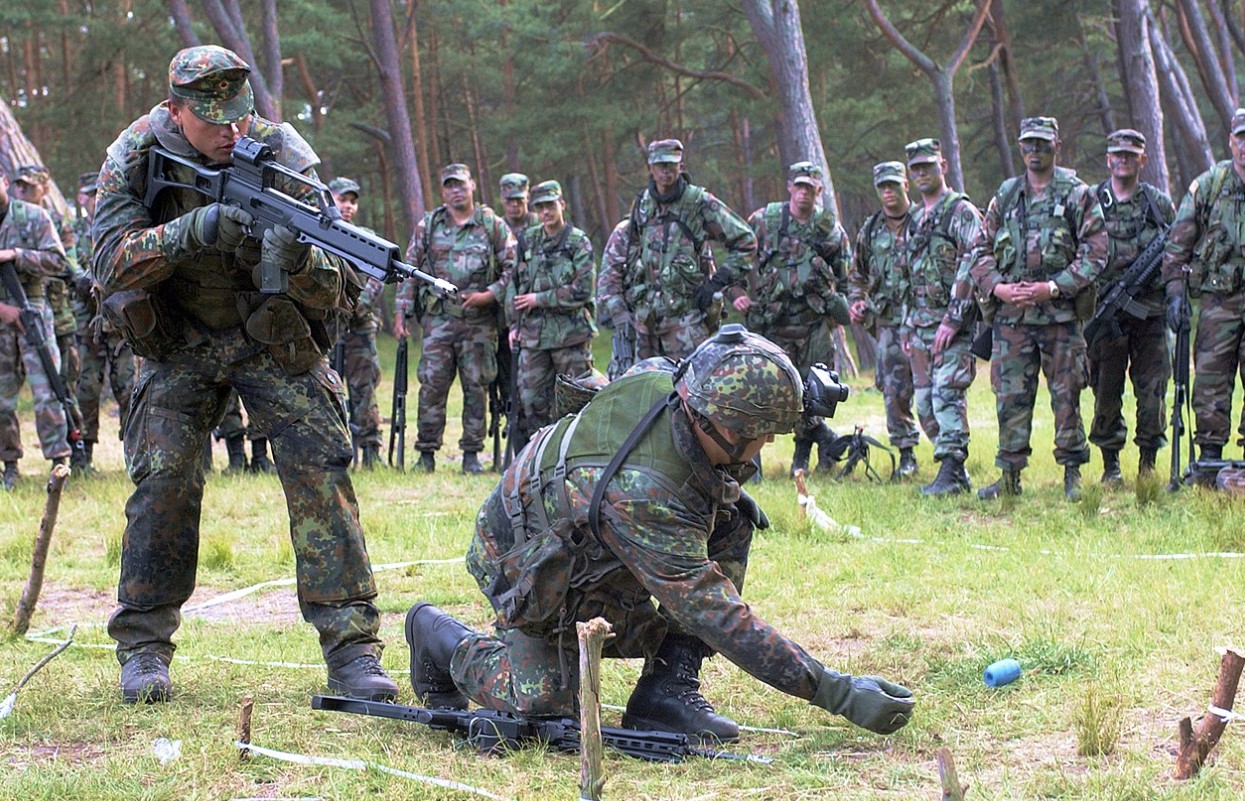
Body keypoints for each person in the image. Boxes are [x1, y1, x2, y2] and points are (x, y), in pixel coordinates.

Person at [404, 326, 914, 744]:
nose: (763, 451)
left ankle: (666, 690)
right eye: (763, 437)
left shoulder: (679, 385)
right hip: (525, 563)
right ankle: (440, 639)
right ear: (725, 427)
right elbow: (718, 615)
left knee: (733, 516)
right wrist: (837, 692)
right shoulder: (645, 496)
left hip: (591, 541)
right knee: (545, 710)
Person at [92, 45, 398, 703]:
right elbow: (106, 265)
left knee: (321, 467)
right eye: (211, 119)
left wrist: (295, 264)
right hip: (176, 340)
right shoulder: (138, 152)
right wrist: (192, 230)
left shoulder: (282, 152)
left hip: (271, 335)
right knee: (164, 477)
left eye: (237, 114)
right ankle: (144, 648)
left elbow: (341, 286)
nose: (230, 131)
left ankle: (352, 650)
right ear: (175, 112)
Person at [970, 116, 1107, 500]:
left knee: (1068, 395)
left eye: (1043, 144)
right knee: (1010, 397)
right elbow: (979, 249)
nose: (1035, 151)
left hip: (1060, 317)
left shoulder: (1077, 194)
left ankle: (1072, 476)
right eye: (1029, 144)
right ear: (1020, 147)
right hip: (1012, 320)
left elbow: (1096, 252)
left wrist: (1053, 287)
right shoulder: (1008, 195)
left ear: (1056, 146)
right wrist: (999, 288)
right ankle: (1009, 478)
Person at [393, 163, 516, 474]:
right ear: (443, 190)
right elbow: (409, 269)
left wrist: (490, 294)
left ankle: (472, 454)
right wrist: (401, 311)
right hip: (439, 321)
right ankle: (427, 453)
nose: (456, 190)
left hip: (479, 323)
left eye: (461, 184)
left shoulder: (492, 225)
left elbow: (514, 269)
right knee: (432, 386)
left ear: (472, 185)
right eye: (449, 186)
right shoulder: (429, 226)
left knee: (477, 387)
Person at [733, 161, 852, 475]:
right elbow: (738, 256)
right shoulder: (764, 221)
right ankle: (750, 463)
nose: (803, 194)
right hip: (772, 326)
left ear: (819, 191)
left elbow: (846, 277)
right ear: (789, 187)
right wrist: (736, 293)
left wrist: (841, 307)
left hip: (813, 325)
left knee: (817, 394)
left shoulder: (829, 229)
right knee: (766, 393)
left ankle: (809, 459)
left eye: (810, 189)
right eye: (799, 187)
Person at [597, 138, 756, 361]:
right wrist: (621, 308)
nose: (666, 172)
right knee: (644, 392)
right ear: (650, 168)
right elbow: (625, 258)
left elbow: (746, 242)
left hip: (687, 322)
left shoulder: (698, 203)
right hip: (646, 324)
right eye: (660, 166)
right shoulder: (642, 205)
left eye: (671, 165)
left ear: (681, 166)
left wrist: (715, 284)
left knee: (690, 390)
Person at [1088, 129, 1175, 483]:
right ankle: (1111, 468)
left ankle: (1147, 466)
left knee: (1153, 390)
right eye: (1117, 154)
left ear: (1143, 160)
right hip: (1105, 313)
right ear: (1108, 159)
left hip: (1150, 314)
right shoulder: (1091, 202)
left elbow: (1176, 251)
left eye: (1130, 154)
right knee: (1105, 390)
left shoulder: (1157, 203)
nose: (1123, 160)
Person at [1163, 108, 1245, 465]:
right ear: (1231, 141)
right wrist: (1175, 295)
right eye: (1241, 138)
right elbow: (1178, 244)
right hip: (1218, 301)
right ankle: (1210, 459)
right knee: (1211, 378)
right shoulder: (1209, 185)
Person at [901, 139, 983, 496]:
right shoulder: (916, 218)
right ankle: (954, 472)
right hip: (919, 327)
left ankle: (951, 471)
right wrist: (906, 322)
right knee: (924, 403)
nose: (921, 174)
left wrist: (954, 318)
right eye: (915, 169)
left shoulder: (960, 211)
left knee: (947, 394)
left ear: (943, 167)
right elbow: (908, 273)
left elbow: (974, 261)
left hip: (953, 326)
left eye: (927, 167)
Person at [847, 161, 920, 478]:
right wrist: (857, 301)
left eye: (894, 184)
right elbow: (857, 275)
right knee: (894, 391)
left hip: (926, 318)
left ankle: (953, 458)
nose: (889, 192)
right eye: (883, 187)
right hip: (888, 323)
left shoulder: (925, 221)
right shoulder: (872, 229)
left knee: (938, 391)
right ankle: (907, 455)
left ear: (906, 184)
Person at [0, 169, 72, 490]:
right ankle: (9, 465)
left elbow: (58, 262)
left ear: (3, 181)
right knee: (1, 399)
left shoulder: (32, 216)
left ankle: (59, 461)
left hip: (33, 310)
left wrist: (17, 255)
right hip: (2, 314)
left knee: (47, 391)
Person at [508, 180, 596, 441]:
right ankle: (539, 457)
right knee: (532, 401)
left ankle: (579, 452)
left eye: (550, 205)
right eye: (540, 207)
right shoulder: (528, 241)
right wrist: (514, 325)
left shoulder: (577, 242)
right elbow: (515, 285)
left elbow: (583, 290)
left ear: (562, 205)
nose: (545, 212)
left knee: (577, 401)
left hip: (571, 337)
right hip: (534, 338)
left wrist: (541, 298)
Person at [11, 165, 86, 425]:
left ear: (44, 188)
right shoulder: (11, 219)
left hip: (56, 311)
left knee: (63, 381)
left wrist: (24, 260)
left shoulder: (55, 221)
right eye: (19, 186)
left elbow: (68, 266)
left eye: (29, 186)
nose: (21, 191)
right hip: (20, 312)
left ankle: (75, 446)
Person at [73, 169, 136, 473]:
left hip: (121, 322)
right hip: (87, 325)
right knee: (86, 389)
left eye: (97, 194)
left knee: (128, 388)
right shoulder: (72, 231)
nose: (93, 200)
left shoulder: (117, 225)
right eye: (88, 195)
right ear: (79, 198)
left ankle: (132, 453)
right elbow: (67, 266)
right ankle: (84, 455)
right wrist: (92, 281)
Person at [327, 177, 384, 468]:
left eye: (352, 201)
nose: (347, 206)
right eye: (342, 199)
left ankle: (372, 450)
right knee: (328, 389)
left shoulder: (366, 236)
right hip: (327, 329)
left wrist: (353, 305)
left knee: (365, 389)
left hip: (359, 328)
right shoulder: (321, 233)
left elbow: (377, 277)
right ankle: (333, 449)